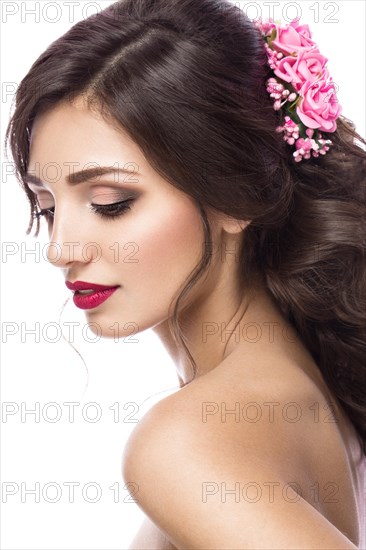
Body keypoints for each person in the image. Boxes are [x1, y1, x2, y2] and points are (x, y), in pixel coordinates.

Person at [5, 0, 365, 548]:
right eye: (49, 205)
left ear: (237, 198)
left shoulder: (186, 442)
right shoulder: (303, 387)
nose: (60, 249)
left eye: (110, 202)